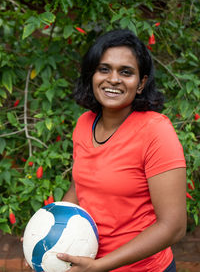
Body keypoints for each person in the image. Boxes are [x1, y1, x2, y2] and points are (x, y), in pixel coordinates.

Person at [57, 29, 187, 272]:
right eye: (104, 69)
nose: (113, 79)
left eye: (125, 72)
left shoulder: (155, 131)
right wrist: (49, 230)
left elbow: (174, 226)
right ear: (92, 75)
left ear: (141, 83)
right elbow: (79, 188)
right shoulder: (85, 123)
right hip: (89, 263)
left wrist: (101, 265)